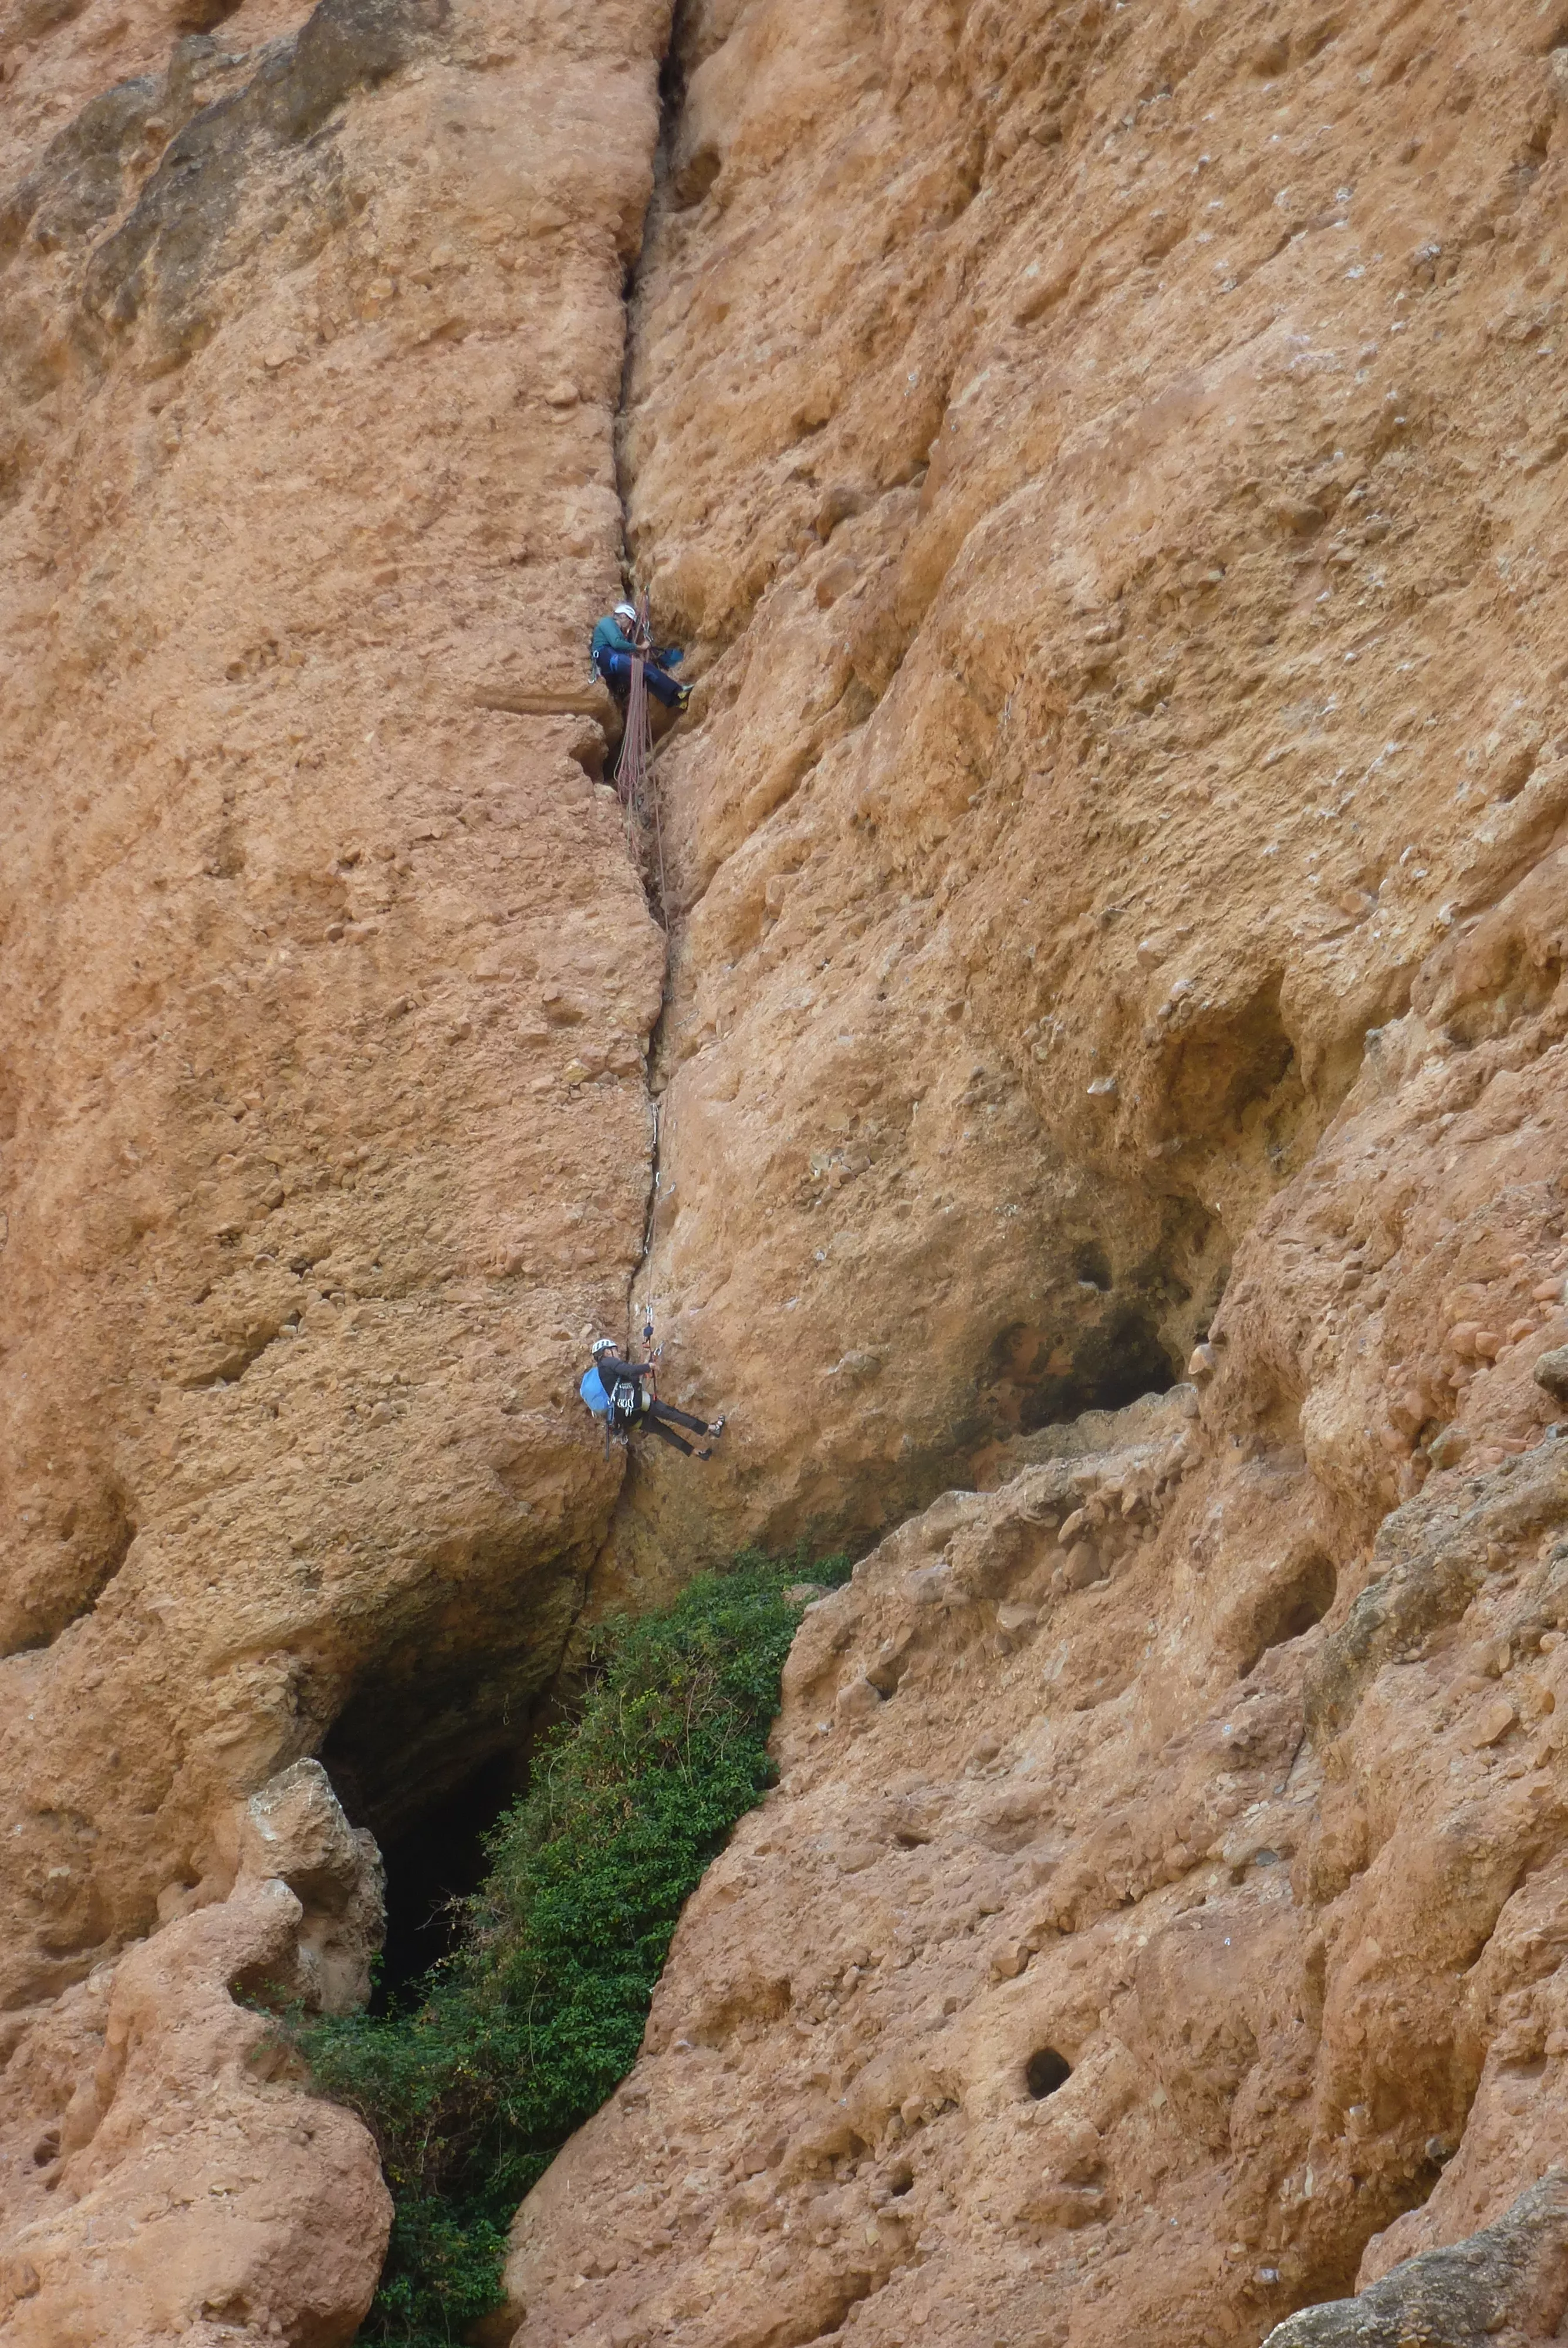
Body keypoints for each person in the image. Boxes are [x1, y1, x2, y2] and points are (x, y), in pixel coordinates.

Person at [579, 1335, 725, 1458]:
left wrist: (643, 1369)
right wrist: (648, 1366)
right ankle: (712, 1428)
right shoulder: (608, 1362)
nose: (617, 1353)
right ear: (606, 1352)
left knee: (663, 1431)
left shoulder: (603, 1375)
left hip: (625, 1418)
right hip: (633, 1401)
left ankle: (696, 1452)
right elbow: (629, 1370)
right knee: (671, 1414)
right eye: (614, 1350)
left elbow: (631, 1380)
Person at [591, 602, 691, 711]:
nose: (630, 626)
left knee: (644, 678)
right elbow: (616, 643)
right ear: (623, 616)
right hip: (607, 656)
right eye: (631, 622)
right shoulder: (607, 622)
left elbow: (621, 646)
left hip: (611, 663)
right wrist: (641, 647)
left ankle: (676, 702)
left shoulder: (618, 631)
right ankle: (679, 691)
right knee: (645, 668)